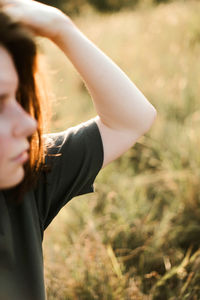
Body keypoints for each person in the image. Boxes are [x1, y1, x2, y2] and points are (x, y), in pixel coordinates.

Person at [0, 0, 157, 299]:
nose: (29, 124)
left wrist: (62, 29)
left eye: (17, 98)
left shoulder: (23, 177)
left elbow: (131, 120)